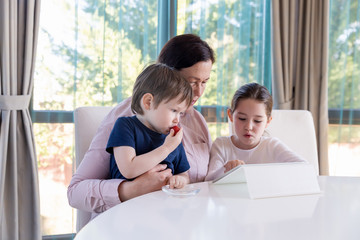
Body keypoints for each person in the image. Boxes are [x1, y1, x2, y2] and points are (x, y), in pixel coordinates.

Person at [67, 34, 215, 217]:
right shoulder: (124, 121)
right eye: (191, 82)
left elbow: (203, 181)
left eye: (204, 82)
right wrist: (130, 190)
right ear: (165, 75)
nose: (199, 91)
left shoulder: (197, 121)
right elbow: (75, 193)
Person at [107, 63, 192, 189]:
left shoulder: (172, 139)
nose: (177, 120)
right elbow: (129, 169)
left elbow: (184, 174)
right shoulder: (125, 126)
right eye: (174, 110)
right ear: (148, 102)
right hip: (130, 206)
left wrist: (180, 179)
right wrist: (167, 148)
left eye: (181, 113)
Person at [205, 83, 306, 181]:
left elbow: (305, 167)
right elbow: (208, 181)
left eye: (257, 121)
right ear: (230, 115)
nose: (248, 127)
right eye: (242, 118)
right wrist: (226, 169)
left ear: (268, 121)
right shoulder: (221, 145)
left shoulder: (272, 146)